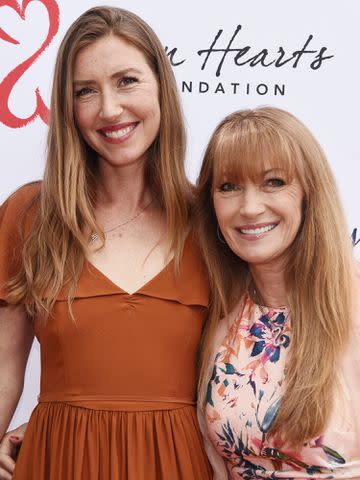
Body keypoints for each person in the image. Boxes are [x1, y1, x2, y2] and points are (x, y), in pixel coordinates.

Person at [0, 6, 212, 479]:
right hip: (57, 464)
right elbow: (4, 373)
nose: (109, 109)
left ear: (161, 86)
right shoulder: (29, 216)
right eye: (85, 92)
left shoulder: (212, 221)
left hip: (182, 466)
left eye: (127, 81)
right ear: (68, 107)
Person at [195, 107, 360, 479]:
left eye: (273, 182)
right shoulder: (219, 315)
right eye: (229, 186)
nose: (250, 208)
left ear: (308, 194)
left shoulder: (354, 301)